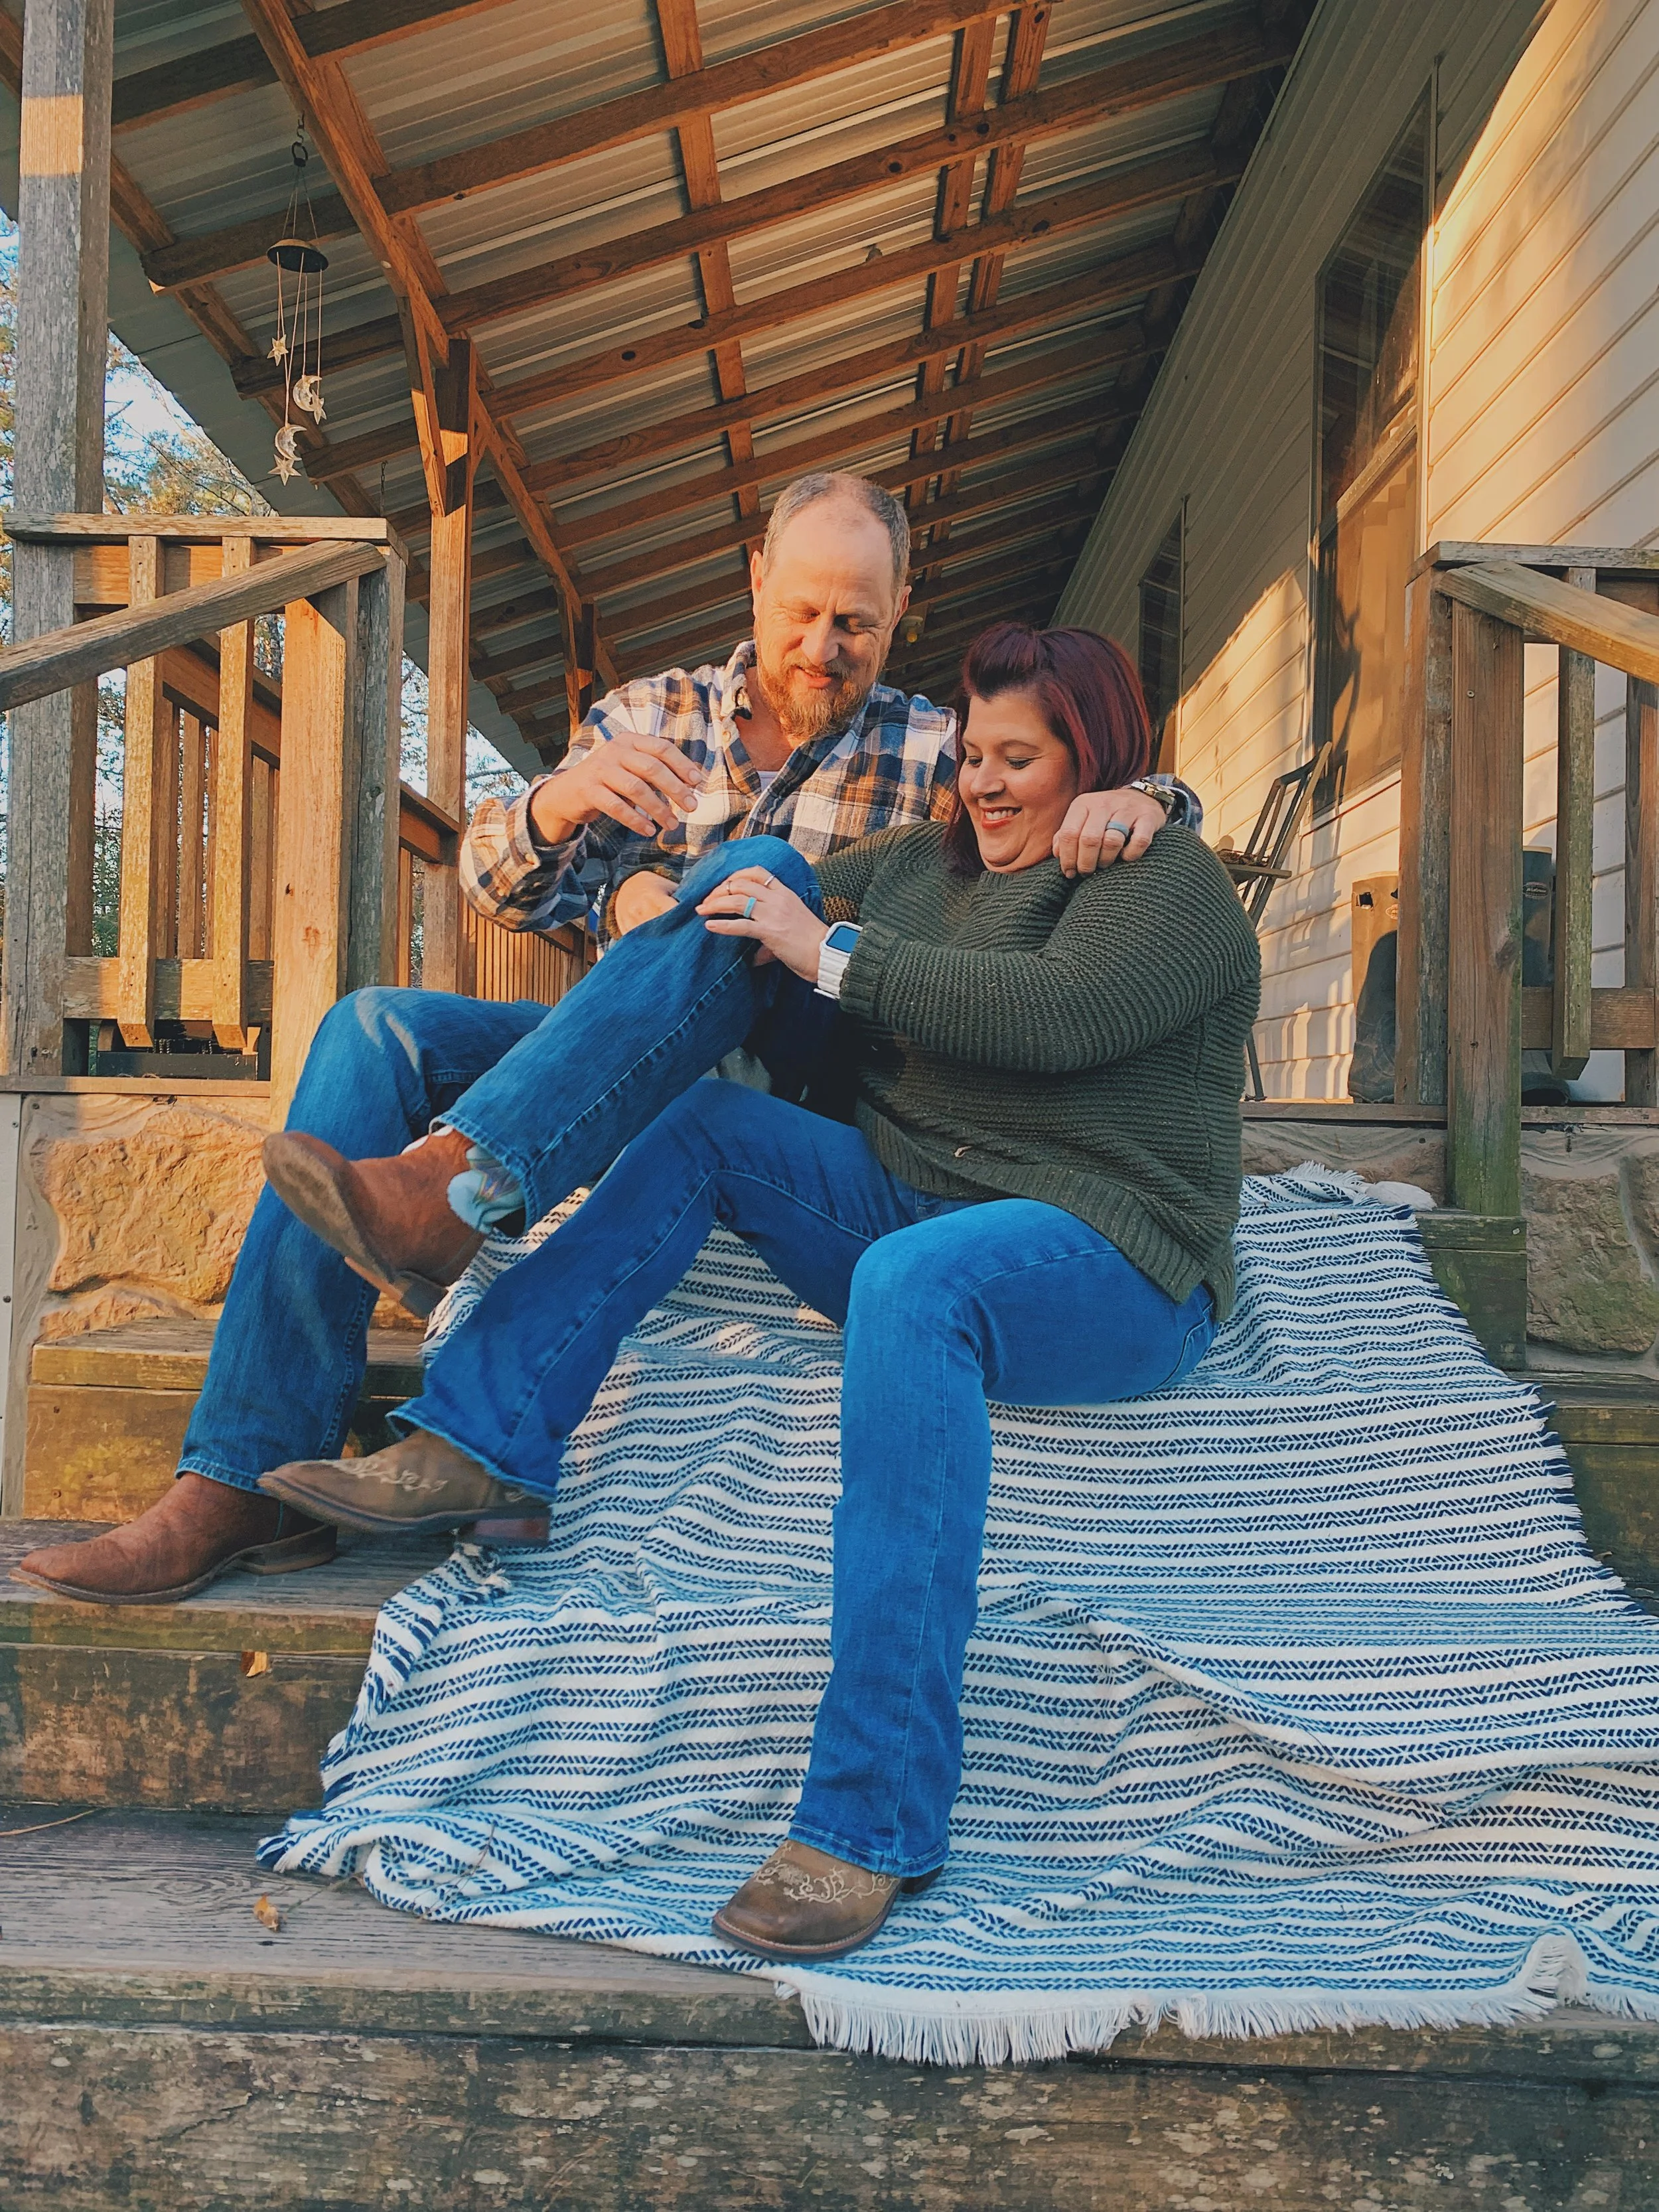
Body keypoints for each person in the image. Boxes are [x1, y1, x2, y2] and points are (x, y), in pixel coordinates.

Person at [254, 622, 1262, 1962]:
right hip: (914, 1187)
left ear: (1100, 753)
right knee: (739, 922)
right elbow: (751, 907)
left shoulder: (1158, 874)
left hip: (1107, 1254)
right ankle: (477, 1415)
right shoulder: (925, 863)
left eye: (1020, 757)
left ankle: (868, 1817)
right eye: (971, 756)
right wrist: (679, 905)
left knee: (912, 1278)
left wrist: (830, 952)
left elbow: (1046, 1016)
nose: (984, 784)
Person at [16, 474, 1192, 1608]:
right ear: (755, 582)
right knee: (373, 1026)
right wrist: (559, 810)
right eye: (803, 612)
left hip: (806, 1063)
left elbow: (1098, 769)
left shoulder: (939, 749)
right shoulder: (646, 715)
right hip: (618, 1050)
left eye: (858, 624)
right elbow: (491, 877)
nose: (824, 646)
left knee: (759, 872)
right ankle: (238, 1482)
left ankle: (452, 1189)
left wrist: (1151, 802)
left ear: (896, 624)